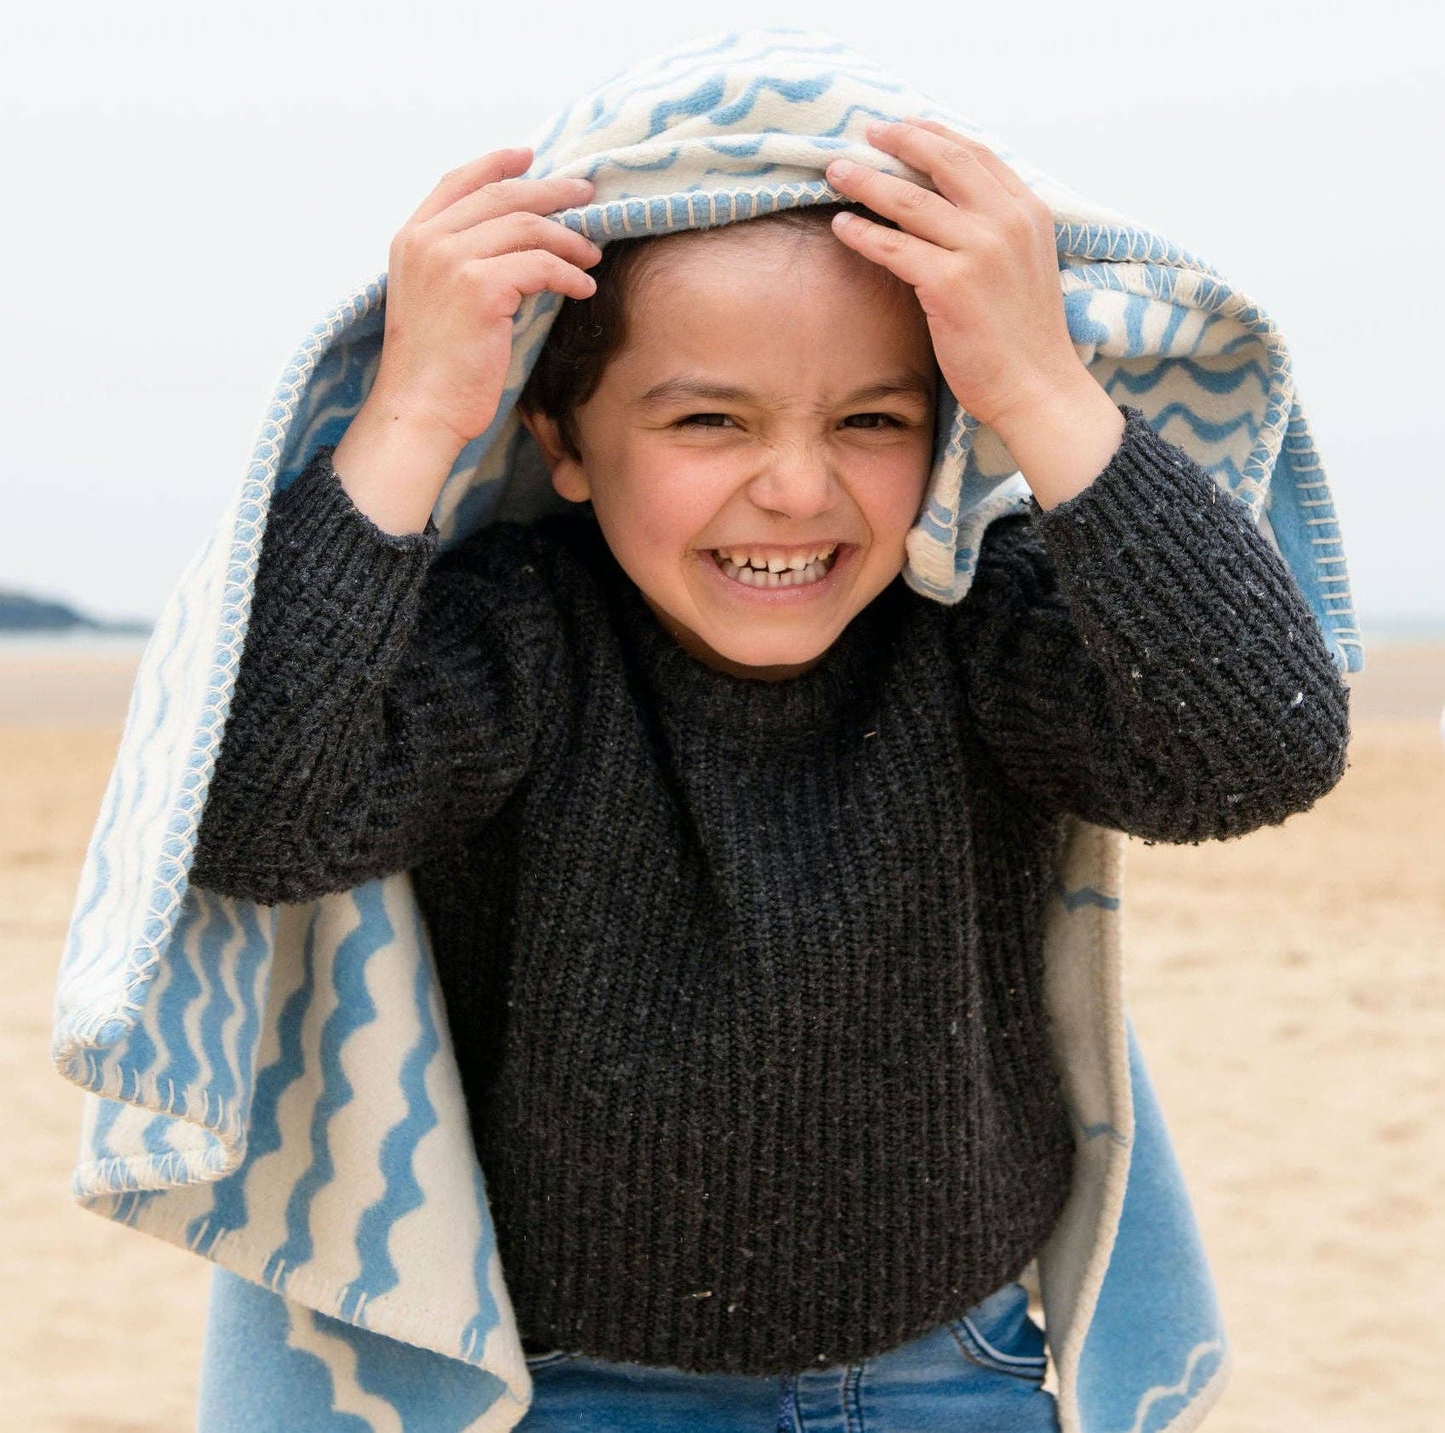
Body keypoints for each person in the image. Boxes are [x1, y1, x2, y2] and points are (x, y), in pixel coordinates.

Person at [188, 119, 1350, 1430]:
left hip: (953, 1369)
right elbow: (252, 817)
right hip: (562, 1384)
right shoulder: (513, 637)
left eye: (871, 418)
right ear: (561, 441)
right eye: (705, 418)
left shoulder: (975, 621)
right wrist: (408, 412)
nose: (795, 486)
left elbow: (1256, 750)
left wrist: (1041, 382)